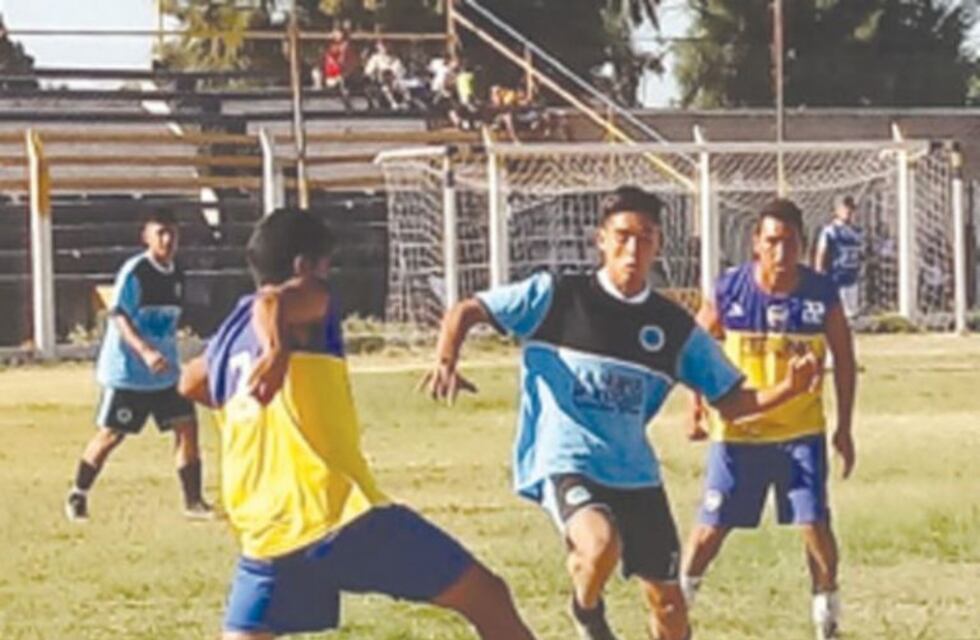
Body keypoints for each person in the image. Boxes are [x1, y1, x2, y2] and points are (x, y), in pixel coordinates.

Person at [422, 186, 822, 640]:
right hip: (567, 461)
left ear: (658, 245)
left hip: (635, 473)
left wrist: (789, 388)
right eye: (623, 236)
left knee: (669, 606)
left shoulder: (672, 327)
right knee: (600, 544)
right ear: (601, 240)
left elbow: (731, 401)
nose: (633, 249)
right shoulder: (557, 295)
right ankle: (587, 611)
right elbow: (469, 309)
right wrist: (446, 358)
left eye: (645, 238)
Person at [177, 209, 537, 640]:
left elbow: (189, 381)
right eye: (325, 264)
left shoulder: (225, 339)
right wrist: (276, 351)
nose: (327, 277)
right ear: (303, 266)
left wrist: (250, 403)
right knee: (487, 596)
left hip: (265, 530)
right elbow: (274, 301)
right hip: (336, 513)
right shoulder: (307, 302)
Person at [682, 198, 857, 640]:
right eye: (772, 241)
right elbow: (693, 349)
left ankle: (827, 617)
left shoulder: (820, 293)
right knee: (710, 530)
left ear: (801, 245)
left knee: (813, 525)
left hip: (800, 433)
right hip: (739, 433)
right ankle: (674, 610)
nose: (781, 252)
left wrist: (845, 428)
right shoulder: (729, 290)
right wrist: (695, 406)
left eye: (790, 243)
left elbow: (845, 356)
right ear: (756, 243)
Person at [65, 210, 211, 522]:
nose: (167, 239)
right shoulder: (136, 272)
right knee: (111, 435)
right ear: (146, 236)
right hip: (129, 373)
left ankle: (194, 502)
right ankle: (78, 493)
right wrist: (145, 351)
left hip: (166, 373)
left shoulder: (177, 274)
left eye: (172, 232)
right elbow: (119, 315)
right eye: (160, 233)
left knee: (187, 426)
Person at [814, 195, 864, 320]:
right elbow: (821, 253)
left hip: (852, 278)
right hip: (836, 278)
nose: (848, 211)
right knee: (837, 314)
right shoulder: (830, 231)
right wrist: (819, 276)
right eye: (845, 208)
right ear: (837, 211)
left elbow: (860, 254)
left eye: (851, 208)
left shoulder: (857, 232)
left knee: (851, 314)